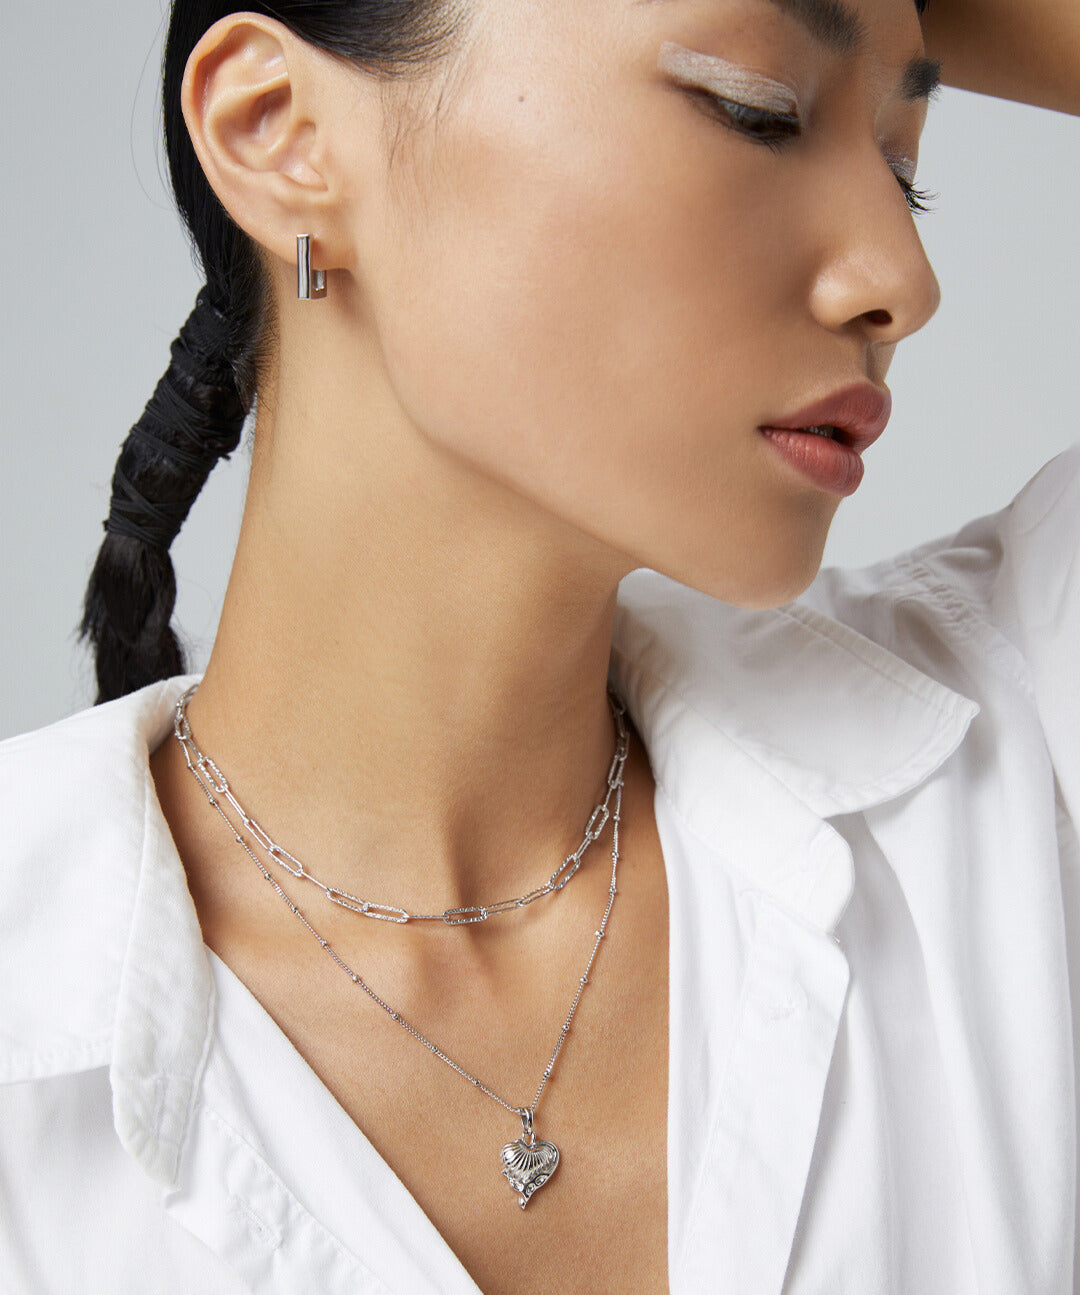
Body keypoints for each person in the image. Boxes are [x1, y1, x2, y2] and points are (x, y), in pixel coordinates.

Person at [1, 0, 1077, 1290]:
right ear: (279, 131)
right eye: (761, 112)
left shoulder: (1018, 754)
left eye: (906, 171)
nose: (901, 279)